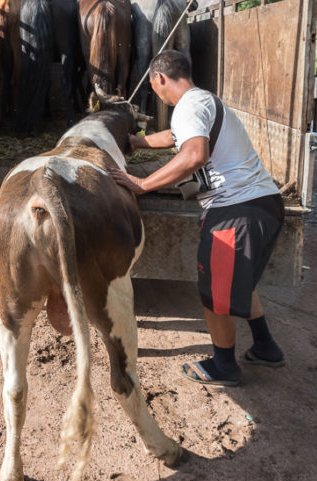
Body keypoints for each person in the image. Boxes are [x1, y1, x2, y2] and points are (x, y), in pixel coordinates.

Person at [110, 50, 285, 387]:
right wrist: (139, 142)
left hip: (235, 212)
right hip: (263, 204)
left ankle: (224, 366)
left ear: (159, 79)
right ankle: (265, 347)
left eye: (153, 85)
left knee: (212, 294)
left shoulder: (188, 106)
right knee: (240, 283)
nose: (156, 90)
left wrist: (140, 184)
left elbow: (194, 154)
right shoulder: (201, 102)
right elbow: (178, 138)